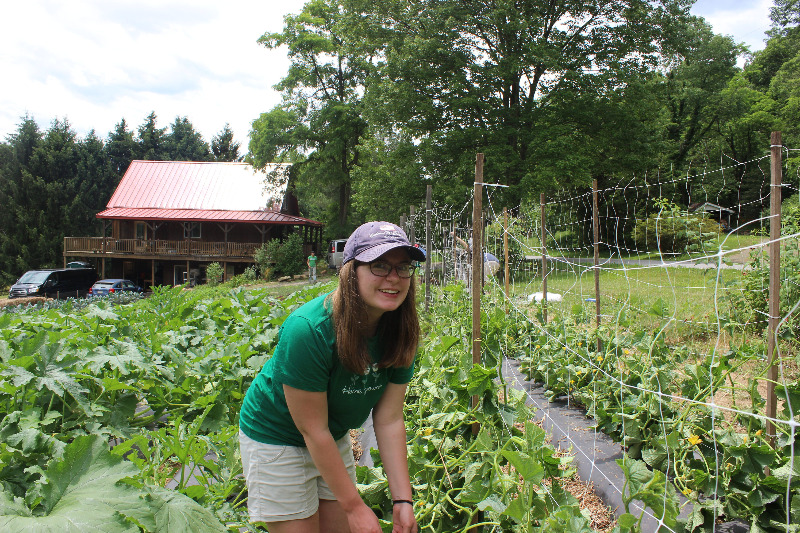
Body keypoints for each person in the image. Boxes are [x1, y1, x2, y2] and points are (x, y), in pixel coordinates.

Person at [239, 221, 425, 533]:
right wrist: (354, 506)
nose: (393, 278)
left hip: (330, 431)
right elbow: (311, 429)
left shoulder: (402, 332)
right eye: (379, 266)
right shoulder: (309, 329)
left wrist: (402, 501)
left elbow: (390, 419)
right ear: (351, 272)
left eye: (403, 267)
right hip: (278, 435)